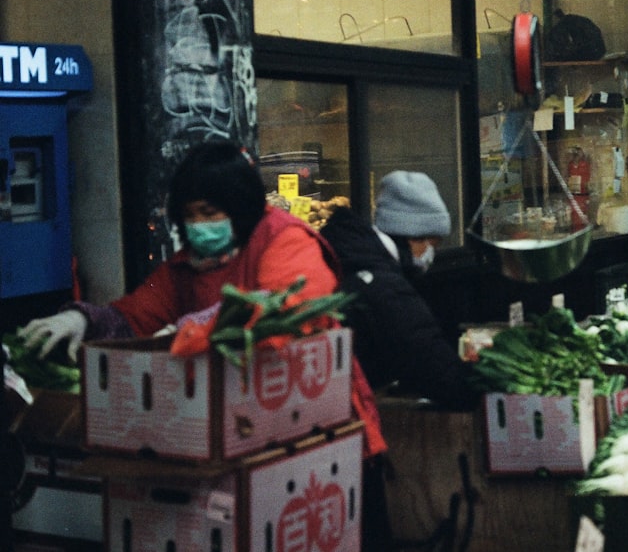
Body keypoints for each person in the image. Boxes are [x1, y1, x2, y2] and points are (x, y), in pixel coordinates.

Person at [17, 140, 386, 456]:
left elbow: (285, 316)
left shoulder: (285, 239)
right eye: (189, 215)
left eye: (209, 212)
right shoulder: (189, 264)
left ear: (239, 205)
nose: (199, 226)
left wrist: (189, 336)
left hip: (317, 434)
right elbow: (136, 314)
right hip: (241, 436)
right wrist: (84, 320)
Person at [319, 170, 483, 551]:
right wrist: (482, 381)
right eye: (431, 242)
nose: (431, 254)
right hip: (347, 429)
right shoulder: (381, 285)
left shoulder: (348, 252)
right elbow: (434, 368)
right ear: (411, 237)